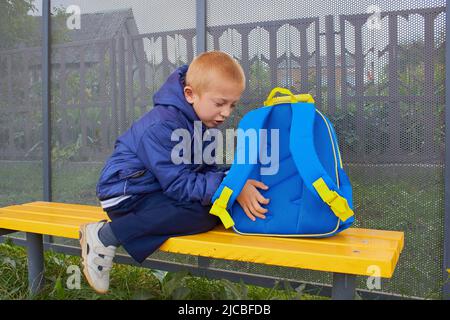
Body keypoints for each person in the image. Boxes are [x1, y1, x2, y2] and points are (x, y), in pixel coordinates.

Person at [79, 51, 270, 294]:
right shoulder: (163, 124)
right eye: (220, 103)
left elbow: (204, 172)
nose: (226, 113)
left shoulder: (205, 125)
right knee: (201, 213)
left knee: (210, 210)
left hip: (155, 190)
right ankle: (106, 235)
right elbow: (180, 184)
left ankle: (114, 232)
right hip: (127, 194)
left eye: (232, 105)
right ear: (190, 94)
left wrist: (234, 178)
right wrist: (230, 187)